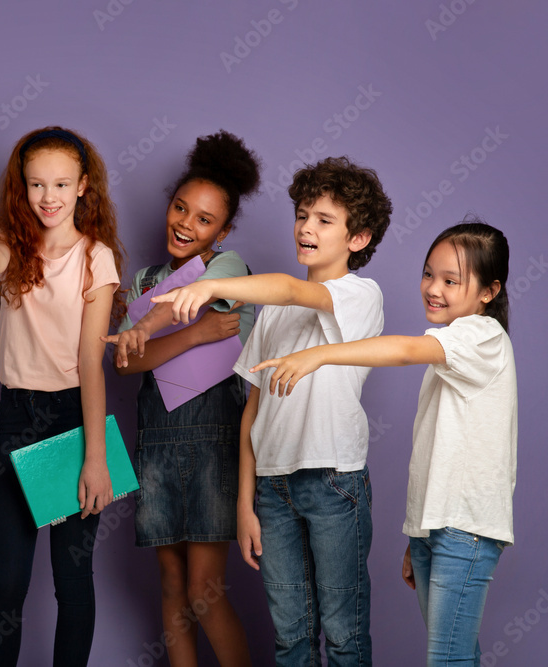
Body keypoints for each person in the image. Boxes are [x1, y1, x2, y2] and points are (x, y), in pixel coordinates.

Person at [140, 156, 393, 665]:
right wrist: (245, 503)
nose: (306, 227)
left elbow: (293, 288)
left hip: (333, 480)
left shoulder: (359, 294)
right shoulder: (273, 310)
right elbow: (252, 407)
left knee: (344, 635)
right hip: (273, 491)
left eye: (325, 220)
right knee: (290, 636)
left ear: (358, 239)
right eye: (302, 214)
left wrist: (212, 285)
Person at [250, 220, 517, 666]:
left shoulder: (481, 336)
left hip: (464, 530)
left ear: (489, 291)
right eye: (429, 274)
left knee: (449, 660)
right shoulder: (456, 348)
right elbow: (442, 452)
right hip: (440, 527)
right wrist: (417, 535)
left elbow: (404, 351)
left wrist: (318, 354)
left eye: (451, 281)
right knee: (458, 653)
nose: (433, 288)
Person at [0, 126, 124, 666]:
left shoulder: (98, 258)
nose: (48, 197)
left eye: (61, 184)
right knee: (6, 583)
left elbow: (91, 365)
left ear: (83, 186)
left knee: (72, 582)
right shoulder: (10, 242)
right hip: (16, 416)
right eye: (36, 185)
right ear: (21, 188)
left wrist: (95, 458)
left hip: (73, 418)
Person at [104, 131, 259, 666]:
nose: (186, 224)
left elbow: (173, 311)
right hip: (159, 445)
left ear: (223, 231)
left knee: (203, 590)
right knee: (170, 586)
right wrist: (193, 336)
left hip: (215, 445)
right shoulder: (144, 279)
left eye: (204, 219)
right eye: (180, 208)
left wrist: (145, 328)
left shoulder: (231, 271)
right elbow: (128, 362)